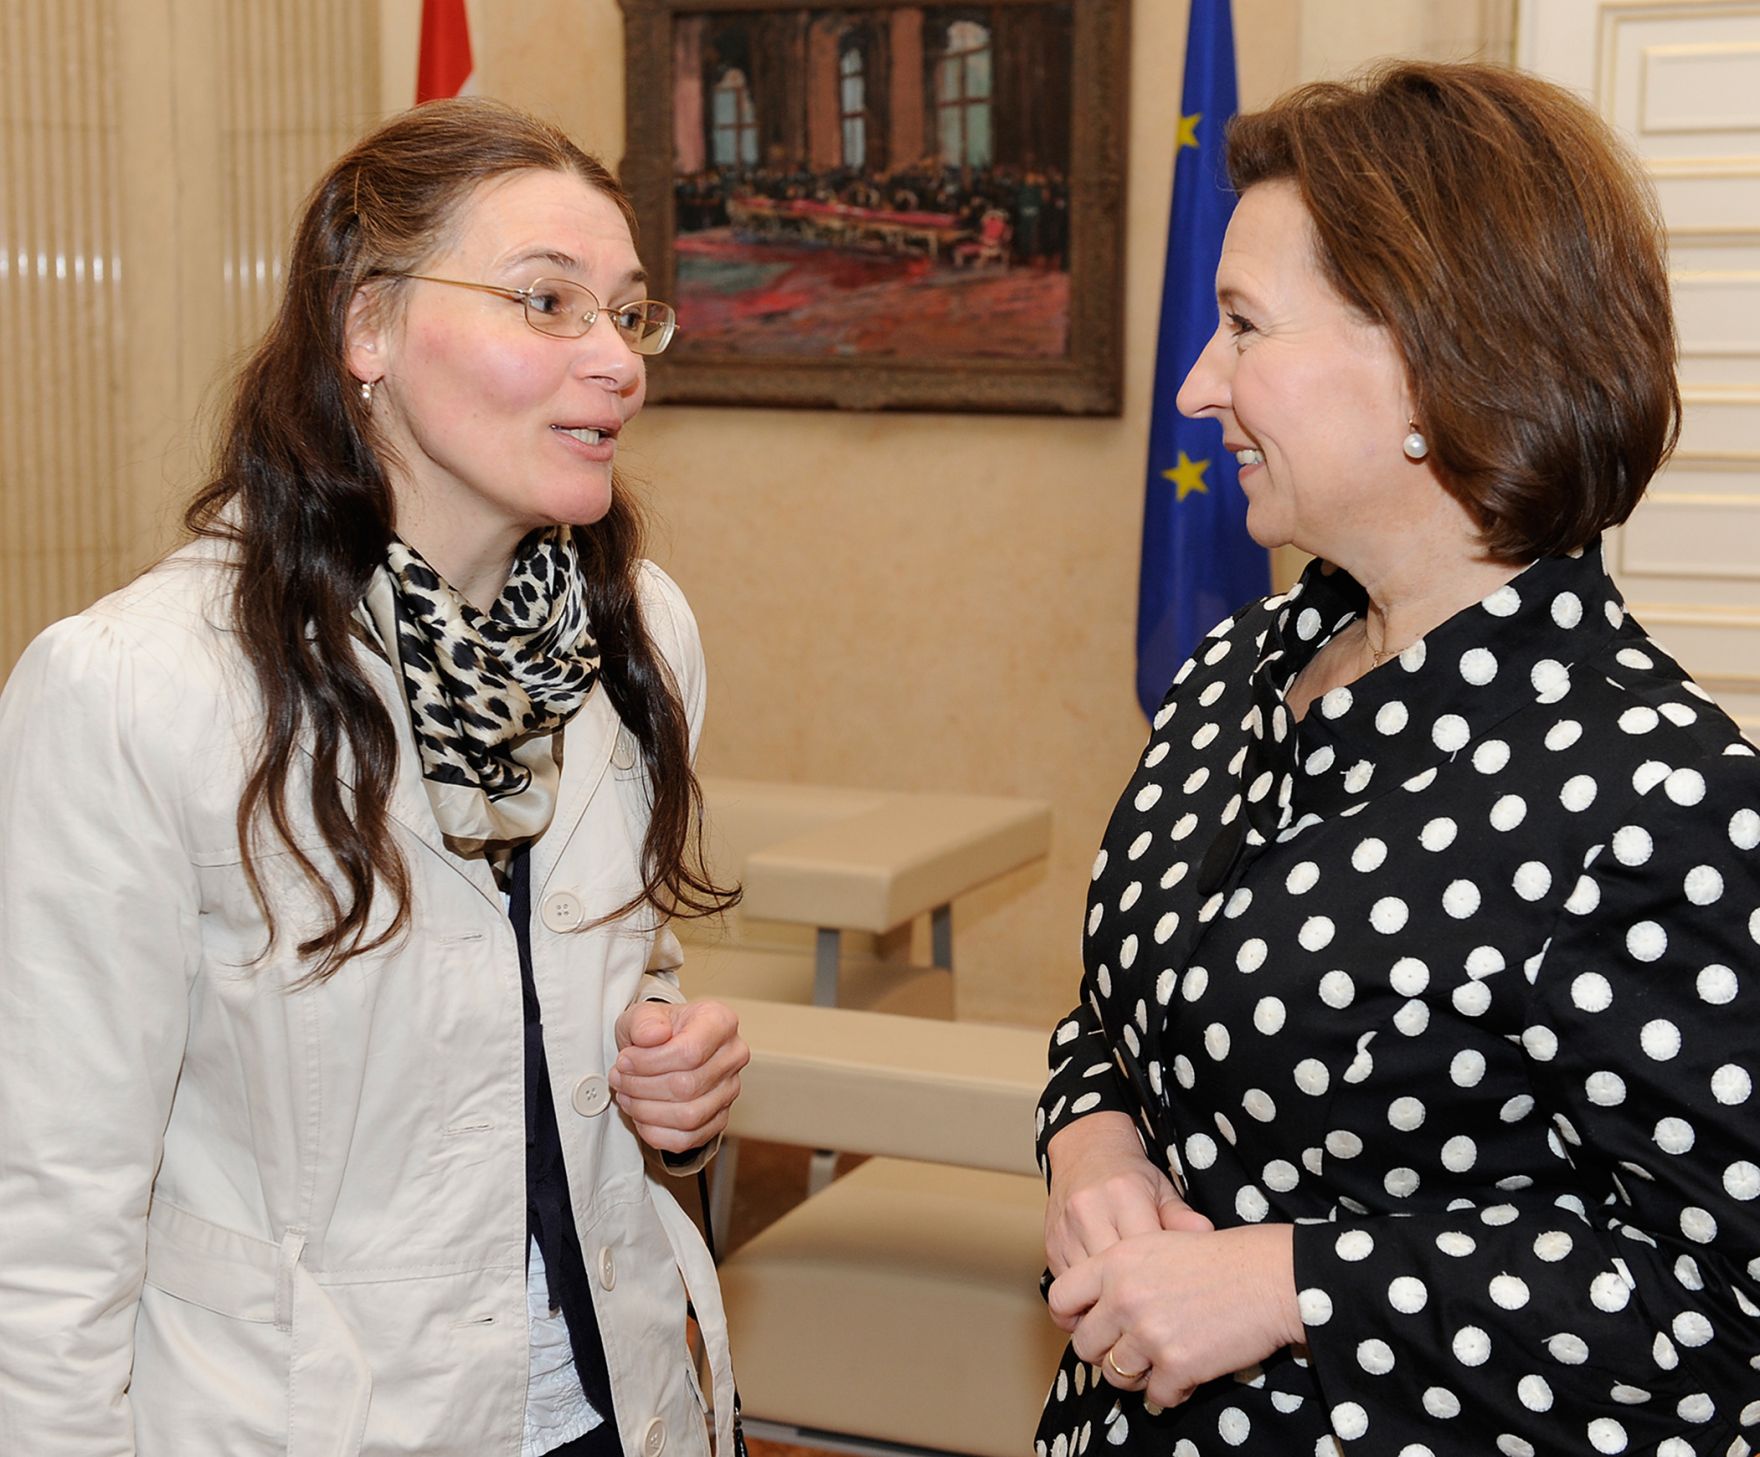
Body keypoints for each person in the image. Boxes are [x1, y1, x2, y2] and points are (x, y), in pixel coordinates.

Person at [0, 98, 749, 1457]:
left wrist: (666, 1073)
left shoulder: (640, 635)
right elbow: (45, 1219)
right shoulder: (137, 688)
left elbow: (610, 974)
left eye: (629, 314)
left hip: (612, 1398)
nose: (616, 361)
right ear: (368, 329)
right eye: (547, 301)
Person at [1036, 61, 1760, 1455]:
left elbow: (1724, 1314)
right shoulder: (1238, 674)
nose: (1195, 386)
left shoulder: (1660, 796)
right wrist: (1094, 1144)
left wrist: (1296, 1284)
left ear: (1436, 355)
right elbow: (1128, 1017)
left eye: (1243, 326)